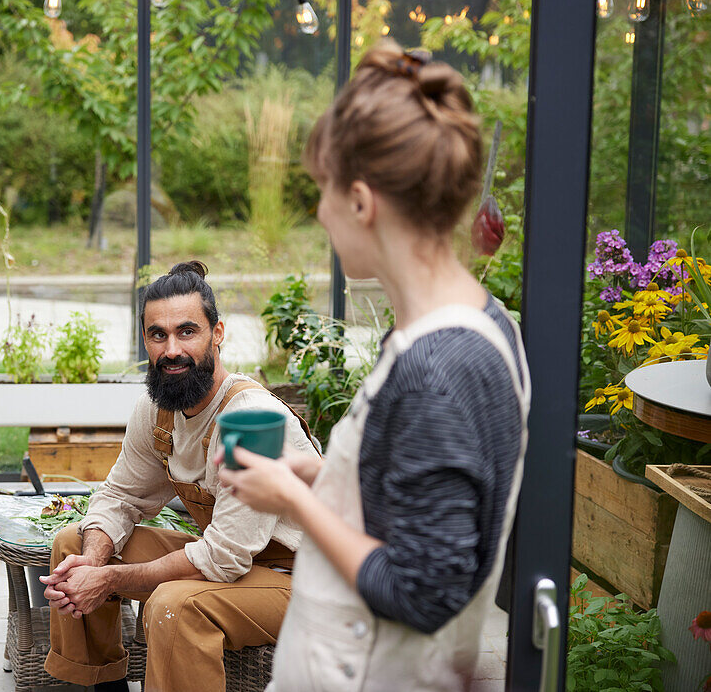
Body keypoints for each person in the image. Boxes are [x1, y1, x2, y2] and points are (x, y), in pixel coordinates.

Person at [219, 41, 531, 691]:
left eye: (323, 191)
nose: (318, 212)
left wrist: (295, 504)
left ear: (361, 201)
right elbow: (416, 502)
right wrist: (326, 474)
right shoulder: (476, 322)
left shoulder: (436, 369)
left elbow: (421, 591)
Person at [40, 261, 322, 692]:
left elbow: (223, 559)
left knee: (174, 605)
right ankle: (101, 686)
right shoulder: (157, 411)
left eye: (187, 331)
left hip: (301, 583)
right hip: (238, 562)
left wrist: (109, 580)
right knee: (74, 543)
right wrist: (94, 562)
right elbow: (119, 496)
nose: (172, 349)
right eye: (159, 334)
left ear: (218, 334)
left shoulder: (250, 418)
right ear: (146, 341)